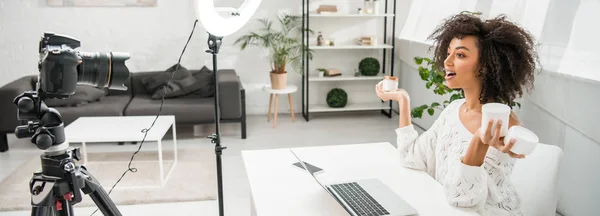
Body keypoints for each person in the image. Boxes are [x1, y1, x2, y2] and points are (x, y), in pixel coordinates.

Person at [376, 13, 539, 215]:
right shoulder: (454, 109)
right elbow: (412, 157)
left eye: (460, 55)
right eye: (448, 53)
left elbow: (462, 198)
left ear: (485, 66)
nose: (447, 61)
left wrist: (479, 140)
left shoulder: (505, 126)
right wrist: (403, 99)